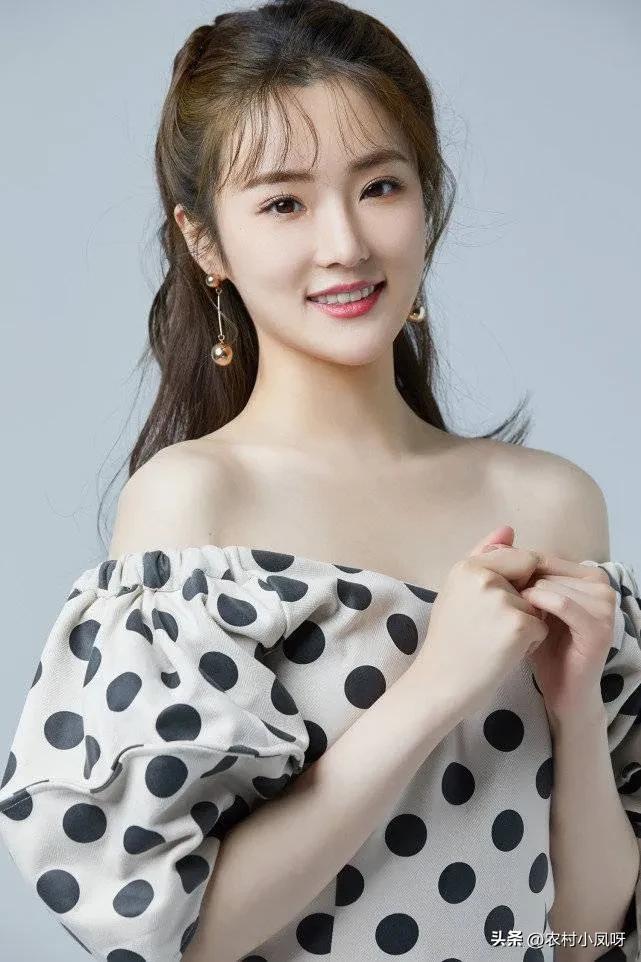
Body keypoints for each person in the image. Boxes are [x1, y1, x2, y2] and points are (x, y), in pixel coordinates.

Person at [1, 2, 640, 961]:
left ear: (426, 201)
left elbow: (586, 937)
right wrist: (435, 687)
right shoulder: (196, 505)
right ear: (205, 242)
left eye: (379, 186)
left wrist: (576, 705)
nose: (344, 242)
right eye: (283, 203)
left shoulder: (551, 503)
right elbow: (181, 938)